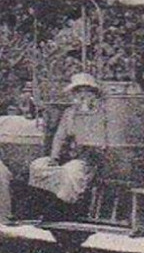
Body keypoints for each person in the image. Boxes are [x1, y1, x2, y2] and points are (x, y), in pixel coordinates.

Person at [28, 72, 104, 208]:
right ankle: (43, 201)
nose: (82, 95)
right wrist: (54, 157)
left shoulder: (100, 113)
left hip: (87, 159)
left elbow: (98, 140)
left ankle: (66, 205)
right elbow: (59, 137)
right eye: (78, 91)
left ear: (94, 94)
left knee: (71, 171)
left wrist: (86, 113)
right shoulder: (69, 113)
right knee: (39, 165)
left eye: (86, 92)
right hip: (66, 156)